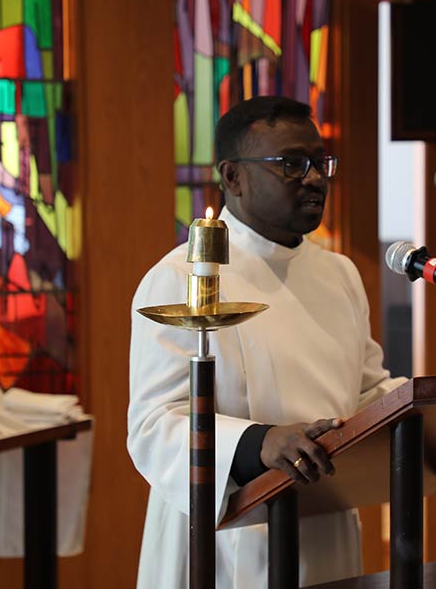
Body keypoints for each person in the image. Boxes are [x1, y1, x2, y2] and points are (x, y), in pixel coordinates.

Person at [127, 95, 404, 588]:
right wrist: (259, 443)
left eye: (320, 162)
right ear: (233, 177)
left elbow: (365, 395)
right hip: (222, 538)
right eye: (292, 164)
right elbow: (153, 426)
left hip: (322, 521)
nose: (316, 178)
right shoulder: (177, 280)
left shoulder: (339, 274)